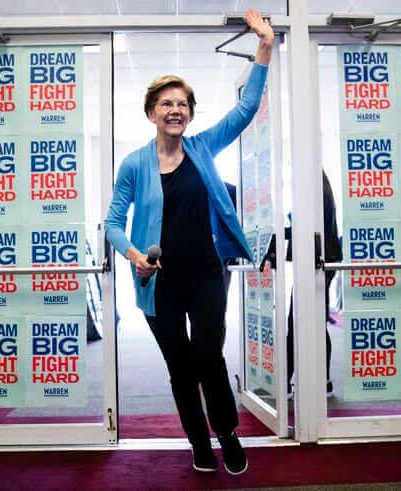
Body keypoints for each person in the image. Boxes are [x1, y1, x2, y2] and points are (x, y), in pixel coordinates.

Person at [104, 9, 273, 475]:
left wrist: (264, 49)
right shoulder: (134, 165)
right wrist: (134, 255)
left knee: (208, 355)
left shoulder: (202, 147)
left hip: (205, 274)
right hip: (158, 283)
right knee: (180, 365)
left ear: (190, 113)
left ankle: (227, 433)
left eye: (182, 104)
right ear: (151, 113)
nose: (175, 110)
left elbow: (244, 111)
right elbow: (113, 223)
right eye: (166, 104)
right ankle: (198, 442)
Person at [286, 171, 342, 397]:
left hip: (315, 263)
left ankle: (286, 382)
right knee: (314, 323)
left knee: (296, 323)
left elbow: (307, 229)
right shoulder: (321, 192)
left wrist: (286, 225)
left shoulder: (313, 195)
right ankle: (323, 381)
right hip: (321, 261)